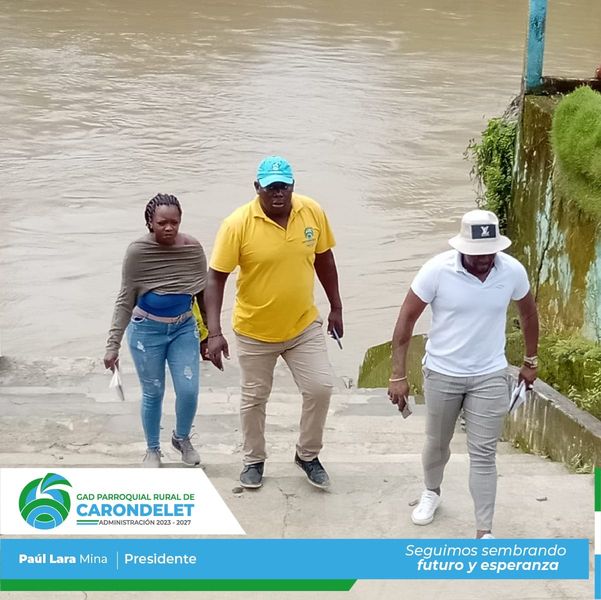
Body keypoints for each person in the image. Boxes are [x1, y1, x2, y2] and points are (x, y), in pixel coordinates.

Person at [388, 209, 539, 538]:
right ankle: (432, 492)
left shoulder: (512, 271)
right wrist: (398, 375)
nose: (484, 260)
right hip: (442, 372)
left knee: (484, 453)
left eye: (489, 253)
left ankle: (484, 531)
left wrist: (530, 361)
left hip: (490, 374)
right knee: (437, 443)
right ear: (461, 247)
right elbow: (406, 320)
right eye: (476, 253)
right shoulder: (436, 271)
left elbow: (528, 314)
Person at [205, 156, 343, 490]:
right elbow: (216, 277)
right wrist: (214, 332)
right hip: (255, 331)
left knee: (320, 388)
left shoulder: (312, 212)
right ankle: (254, 459)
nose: (278, 193)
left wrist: (336, 307)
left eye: (284, 186)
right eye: (271, 187)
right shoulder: (237, 224)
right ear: (257, 188)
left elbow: (324, 259)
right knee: (255, 398)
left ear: (293, 185)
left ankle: (307, 454)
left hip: (302, 325)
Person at [104, 193, 215, 468]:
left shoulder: (192, 248)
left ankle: (182, 438)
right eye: (162, 223)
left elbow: (202, 295)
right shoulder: (137, 252)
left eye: (174, 222)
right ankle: (152, 449)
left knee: (188, 390)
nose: (169, 228)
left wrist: (209, 336)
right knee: (153, 392)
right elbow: (125, 298)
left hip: (183, 328)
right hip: (146, 332)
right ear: (150, 223)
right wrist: (112, 345)